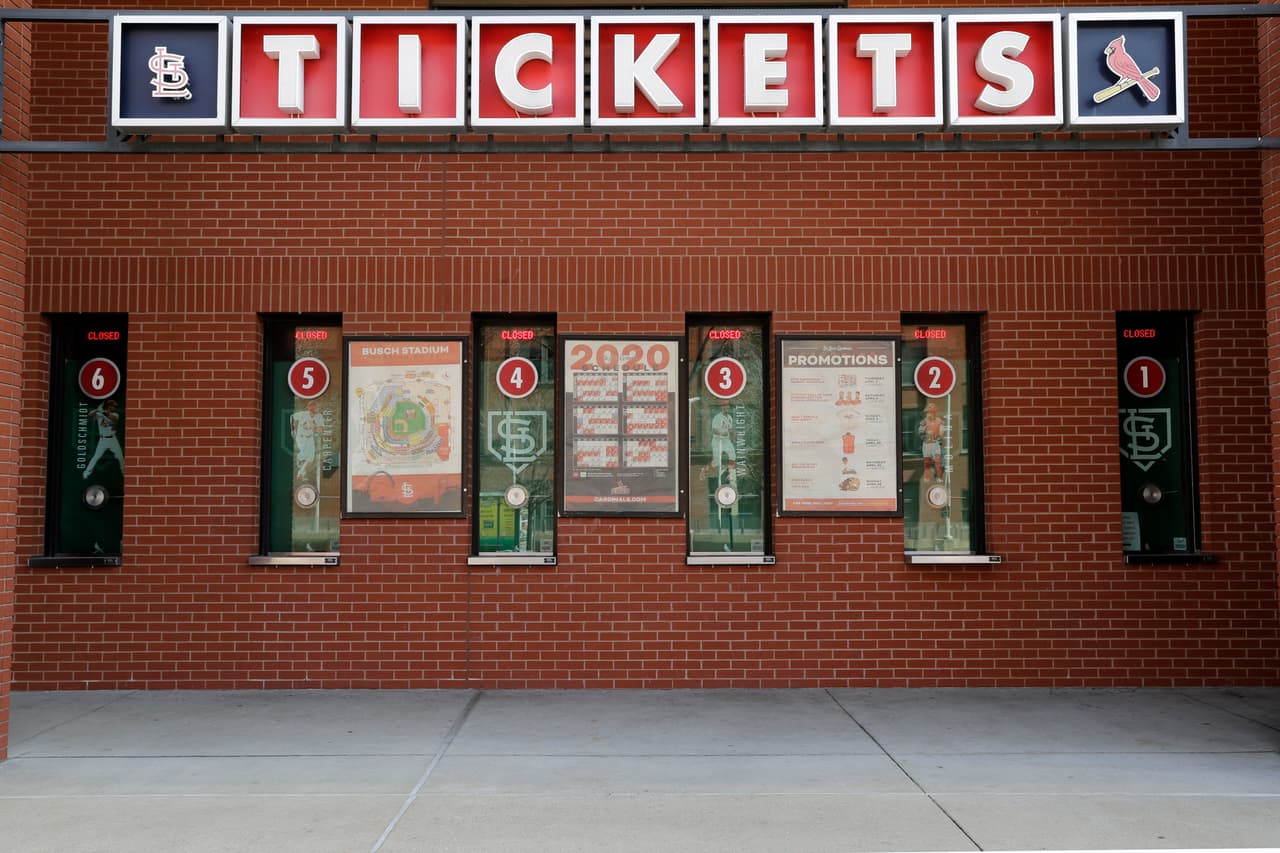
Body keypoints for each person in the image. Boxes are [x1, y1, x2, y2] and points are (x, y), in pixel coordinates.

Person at [84, 399, 123, 478]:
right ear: (109, 406)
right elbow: (89, 416)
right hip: (103, 440)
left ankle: (124, 472)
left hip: (113, 439)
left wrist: (102, 411)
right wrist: (97, 410)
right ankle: (86, 473)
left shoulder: (115, 414)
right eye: (113, 406)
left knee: (120, 456)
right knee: (96, 457)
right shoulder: (99, 414)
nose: (115, 408)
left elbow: (114, 419)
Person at [291, 400, 323, 480]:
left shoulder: (319, 416)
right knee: (306, 457)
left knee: (311, 458)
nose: (313, 408)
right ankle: (300, 469)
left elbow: (321, 429)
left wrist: (314, 427)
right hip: (301, 437)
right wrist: (293, 429)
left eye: (315, 406)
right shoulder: (303, 414)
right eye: (311, 407)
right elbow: (292, 417)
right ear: (308, 408)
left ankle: (301, 473)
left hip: (310, 438)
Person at [920, 401, 944, 482]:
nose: (929, 414)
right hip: (927, 444)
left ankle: (939, 477)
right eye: (928, 412)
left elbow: (941, 432)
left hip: (935, 444)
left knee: (937, 462)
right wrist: (926, 434)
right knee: (927, 462)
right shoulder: (924, 421)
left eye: (931, 412)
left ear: (935, 412)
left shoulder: (939, 421)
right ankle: (927, 477)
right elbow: (920, 433)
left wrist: (936, 435)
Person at [710, 403, 736, 471]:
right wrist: (721, 433)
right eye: (724, 408)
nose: (726, 409)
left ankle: (730, 471)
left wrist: (733, 436)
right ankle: (705, 469)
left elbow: (730, 429)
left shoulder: (730, 417)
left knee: (733, 455)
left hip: (726, 440)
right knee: (716, 462)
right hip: (717, 440)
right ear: (721, 408)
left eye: (727, 408)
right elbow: (714, 430)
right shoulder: (717, 417)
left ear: (729, 408)